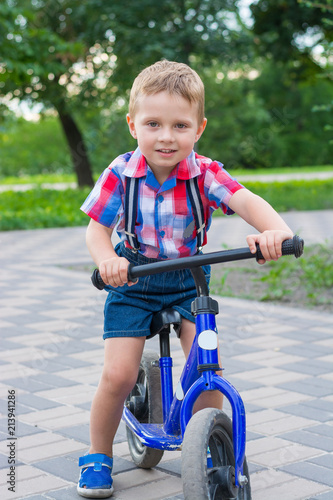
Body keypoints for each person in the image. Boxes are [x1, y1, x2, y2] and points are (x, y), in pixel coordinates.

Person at [77, 59, 293, 498]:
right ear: (133, 125)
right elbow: (97, 229)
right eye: (153, 123)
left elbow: (246, 201)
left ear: (199, 129)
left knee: (204, 368)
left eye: (180, 125)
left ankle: (210, 444)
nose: (166, 136)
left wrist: (275, 231)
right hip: (133, 280)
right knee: (118, 375)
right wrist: (107, 261)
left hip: (189, 279)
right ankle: (98, 454)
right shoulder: (121, 173)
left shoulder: (206, 173)